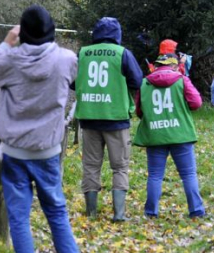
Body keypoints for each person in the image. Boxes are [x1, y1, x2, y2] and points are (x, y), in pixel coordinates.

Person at [0, 5, 92, 253]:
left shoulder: (11, 60)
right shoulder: (67, 59)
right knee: (57, 214)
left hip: (15, 153)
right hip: (47, 151)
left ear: (22, 33)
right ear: (52, 30)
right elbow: (72, 80)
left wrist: (6, 43)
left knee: (19, 218)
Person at [73, 17, 142, 221]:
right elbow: (137, 81)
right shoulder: (122, 54)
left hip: (89, 118)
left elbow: (72, 82)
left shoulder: (83, 53)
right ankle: (119, 214)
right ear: (117, 34)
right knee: (119, 167)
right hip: (115, 117)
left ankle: (91, 213)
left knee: (91, 166)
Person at [134, 53, 205, 218]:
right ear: (174, 66)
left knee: (155, 175)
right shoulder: (182, 80)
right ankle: (196, 211)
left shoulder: (144, 83)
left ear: (157, 65)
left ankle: (151, 212)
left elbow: (139, 111)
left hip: (155, 134)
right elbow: (196, 103)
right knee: (188, 174)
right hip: (181, 134)